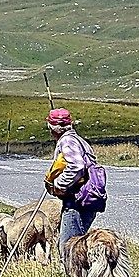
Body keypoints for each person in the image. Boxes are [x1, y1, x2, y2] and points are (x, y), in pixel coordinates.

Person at [43, 107, 106, 265]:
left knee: (69, 247)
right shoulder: (79, 140)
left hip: (77, 201)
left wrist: (58, 183)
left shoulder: (68, 141)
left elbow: (76, 166)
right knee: (77, 245)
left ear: (53, 128)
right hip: (87, 199)